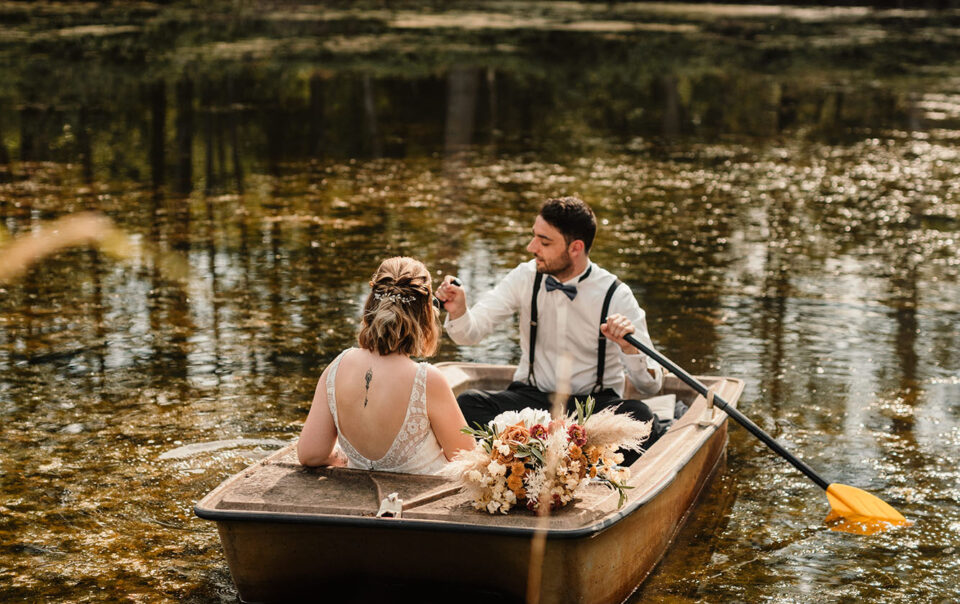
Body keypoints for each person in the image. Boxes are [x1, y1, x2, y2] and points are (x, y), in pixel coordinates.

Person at [435, 196, 667, 458]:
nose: (532, 247)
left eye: (544, 242)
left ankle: (533, 457)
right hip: (532, 402)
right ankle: (546, 458)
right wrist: (459, 311)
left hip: (593, 408)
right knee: (467, 404)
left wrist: (629, 349)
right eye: (535, 236)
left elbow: (651, 385)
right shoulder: (525, 276)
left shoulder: (616, 294)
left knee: (641, 417)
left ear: (575, 248)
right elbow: (471, 333)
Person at [298, 256, 475, 474]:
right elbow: (468, 463)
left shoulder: (337, 366)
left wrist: (343, 459)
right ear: (425, 313)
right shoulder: (427, 380)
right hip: (416, 504)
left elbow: (310, 454)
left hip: (357, 495)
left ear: (371, 304)